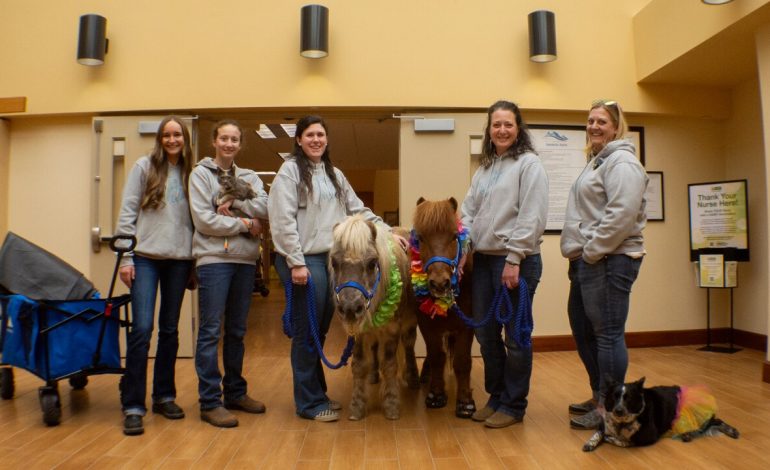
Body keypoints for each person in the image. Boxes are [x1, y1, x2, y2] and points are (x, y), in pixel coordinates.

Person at [268, 115, 407, 422]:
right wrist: (295, 261)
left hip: (330, 261)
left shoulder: (334, 174)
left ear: (327, 140)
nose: (316, 140)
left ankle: (318, 394)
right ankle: (308, 403)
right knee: (306, 333)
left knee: (318, 329)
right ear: (299, 140)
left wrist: (387, 231)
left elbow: (358, 209)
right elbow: (281, 221)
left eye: (320, 134)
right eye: (309, 135)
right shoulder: (289, 172)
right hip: (302, 260)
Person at [460, 100, 548, 428]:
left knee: (515, 337)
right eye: (496, 125)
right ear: (489, 130)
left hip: (516, 262)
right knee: (485, 334)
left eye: (508, 124)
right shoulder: (484, 169)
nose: (502, 130)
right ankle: (496, 397)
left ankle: (513, 406)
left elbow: (532, 215)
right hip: (482, 262)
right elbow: (468, 213)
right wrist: (461, 252)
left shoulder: (529, 164)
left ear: (518, 128)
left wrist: (514, 258)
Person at [561, 99, 648, 430]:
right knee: (583, 331)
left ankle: (611, 410)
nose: (594, 126)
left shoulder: (622, 163)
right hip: (589, 260)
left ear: (615, 126)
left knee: (608, 334)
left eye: (602, 121)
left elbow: (621, 215)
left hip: (609, 260)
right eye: (590, 120)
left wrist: (593, 251)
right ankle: (602, 396)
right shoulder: (597, 162)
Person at [115, 116, 195, 436]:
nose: (173, 139)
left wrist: (194, 264)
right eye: (167, 135)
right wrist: (126, 257)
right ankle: (133, 404)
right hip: (145, 258)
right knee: (142, 328)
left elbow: (198, 221)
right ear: (160, 139)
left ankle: (164, 396)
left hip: (179, 260)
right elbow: (127, 211)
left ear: (185, 139)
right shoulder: (143, 167)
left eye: (178, 134)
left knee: (170, 330)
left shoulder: (193, 173)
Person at [189, 119, 268, 428]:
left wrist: (235, 201)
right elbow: (204, 221)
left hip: (245, 262)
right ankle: (209, 401)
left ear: (240, 144)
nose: (229, 144)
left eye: (235, 139)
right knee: (210, 332)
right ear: (215, 141)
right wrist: (245, 225)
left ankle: (235, 392)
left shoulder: (248, 177)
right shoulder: (199, 175)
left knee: (236, 331)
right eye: (224, 138)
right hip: (213, 260)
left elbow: (265, 206)